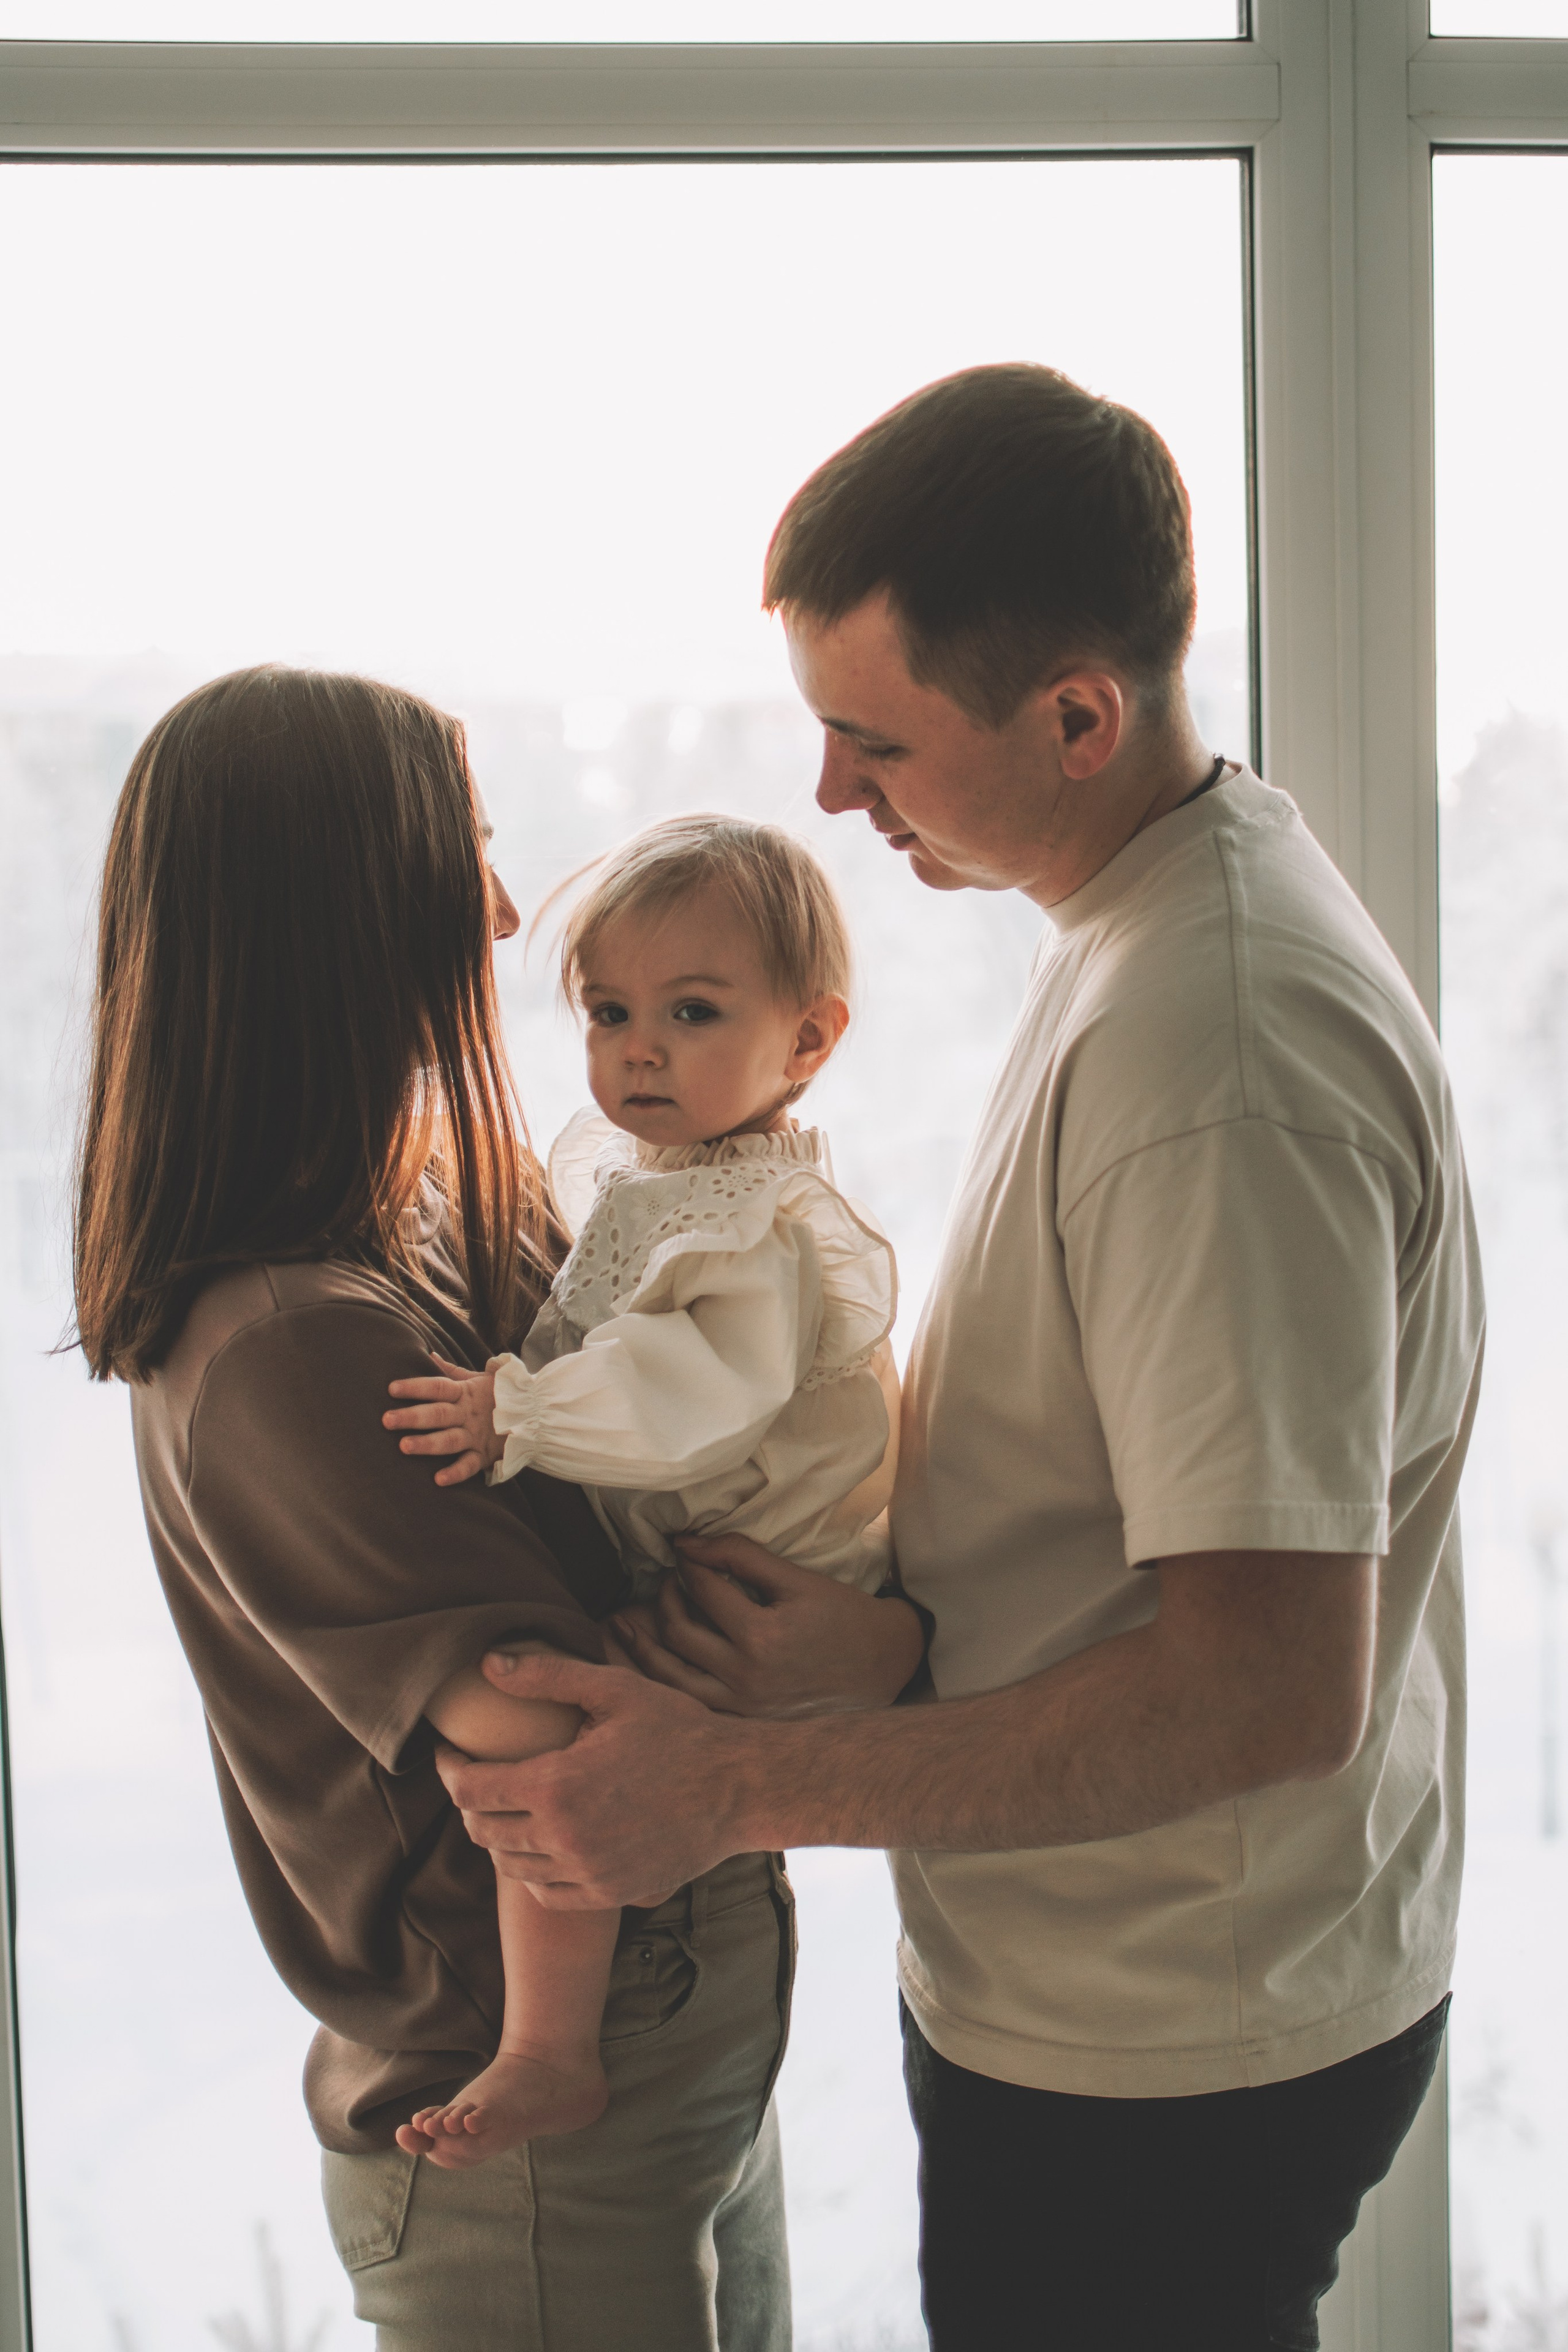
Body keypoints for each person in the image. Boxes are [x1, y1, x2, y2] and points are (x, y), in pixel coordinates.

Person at [435, 365, 1485, 2350]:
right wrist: (897, 1639)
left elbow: (1265, 1690)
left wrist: (738, 1787)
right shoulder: (1141, 922)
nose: (831, 796)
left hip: (1170, 2041)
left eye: (872, 739)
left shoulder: (1215, 1052)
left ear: (1080, 714)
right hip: (1130, 1991)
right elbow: (1121, 1507)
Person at [72, 666, 918, 2352]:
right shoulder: (293, 1341)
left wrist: (869, 1634)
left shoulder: (448, 1202)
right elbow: (554, 1752)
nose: (513, 907)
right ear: (349, 908)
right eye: (465, 849)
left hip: (677, 1996)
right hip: (529, 2098)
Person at [379, 813, 907, 2165]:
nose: (640, 1049)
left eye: (690, 1011)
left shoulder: (754, 1226)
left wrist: (518, 1412)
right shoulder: (662, 1180)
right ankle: (555, 2037)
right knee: (551, 1745)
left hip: (772, 1578)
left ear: (808, 1041)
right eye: (609, 1012)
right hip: (709, 1557)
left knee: (559, 1760)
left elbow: (691, 1396)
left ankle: (550, 2052)